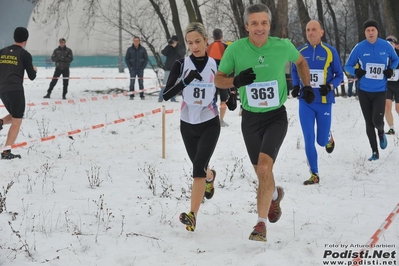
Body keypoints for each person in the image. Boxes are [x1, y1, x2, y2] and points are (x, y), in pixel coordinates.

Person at [214, 3, 311, 242]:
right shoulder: (235, 50)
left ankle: (260, 225)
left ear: (269, 25)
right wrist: (235, 81)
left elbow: (301, 62)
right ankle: (275, 196)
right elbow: (218, 79)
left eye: (264, 23)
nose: (260, 28)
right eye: (254, 23)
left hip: (275, 116)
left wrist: (305, 86)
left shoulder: (282, 46)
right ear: (247, 26)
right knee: (261, 172)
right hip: (250, 119)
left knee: (265, 167)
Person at [162, 22, 220, 232]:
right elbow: (166, 95)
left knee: (197, 169)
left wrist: (231, 98)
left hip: (209, 122)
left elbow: (224, 90)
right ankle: (211, 177)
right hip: (187, 124)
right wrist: (184, 82)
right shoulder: (181, 63)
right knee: (202, 168)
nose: (194, 46)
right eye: (190, 43)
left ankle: (192, 215)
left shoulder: (216, 64)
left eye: (198, 41)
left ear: (206, 41)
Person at [291, 20, 343, 185]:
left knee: (321, 141)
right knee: (308, 138)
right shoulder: (300, 51)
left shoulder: (330, 51)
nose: (310, 32)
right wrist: (295, 86)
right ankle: (314, 173)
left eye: (314, 29)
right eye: (307, 30)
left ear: (321, 32)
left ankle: (328, 137)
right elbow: (294, 69)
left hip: (324, 101)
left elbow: (340, 75)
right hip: (305, 102)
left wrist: (329, 86)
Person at [344, 20, 399, 161]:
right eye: (368, 30)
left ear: (377, 32)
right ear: (365, 33)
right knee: (369, 122)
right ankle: (375, 152)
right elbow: (348, 66)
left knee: (377, 120)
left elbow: (395, 60)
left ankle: (381, 131)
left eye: (372, 30)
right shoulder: (359, 47)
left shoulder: (385, 46)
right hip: (363, 90)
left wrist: (390, 69)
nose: (370, 33)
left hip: (380, 90)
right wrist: (357, 71)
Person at [0, 27, 37, 159]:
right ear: (26, 40)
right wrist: (34, 69)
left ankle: (0, 123)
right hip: (15, 89)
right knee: (17, 120)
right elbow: (32, 76)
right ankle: (6, 151)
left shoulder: (2, 52)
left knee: (15, 115)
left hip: (2, 90)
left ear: (14, 37)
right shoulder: (24, 54)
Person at [206, 28, 230, 127]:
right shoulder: (226, 47)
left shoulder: (208, 48)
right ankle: (221, 120)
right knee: (223, 100)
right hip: (223, 77)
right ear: (222, 36)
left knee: (212, 99)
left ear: (213, 37)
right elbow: (229, 62)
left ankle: (213, 119)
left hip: (211, 78)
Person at [157, 35, 185, 103]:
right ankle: (161, 97)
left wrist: (176, 47)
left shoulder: (180, 47)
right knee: (165, 83)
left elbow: (182, 53)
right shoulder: (169, 47)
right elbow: (163, 52)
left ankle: (173, 98)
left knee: (175, 84)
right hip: (168, 68)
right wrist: (169, 45)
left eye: (174, 41)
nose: (173, 42)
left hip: (176, 68)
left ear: (177, 41)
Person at [385, 35, 399, 135]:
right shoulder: (383, 55)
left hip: (398, 84)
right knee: (387, 106)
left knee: (398, 108)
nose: (390, 45)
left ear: (395, 45)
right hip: (387, 84)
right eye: (388, 43)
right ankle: (391, 128)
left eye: (392, 43)